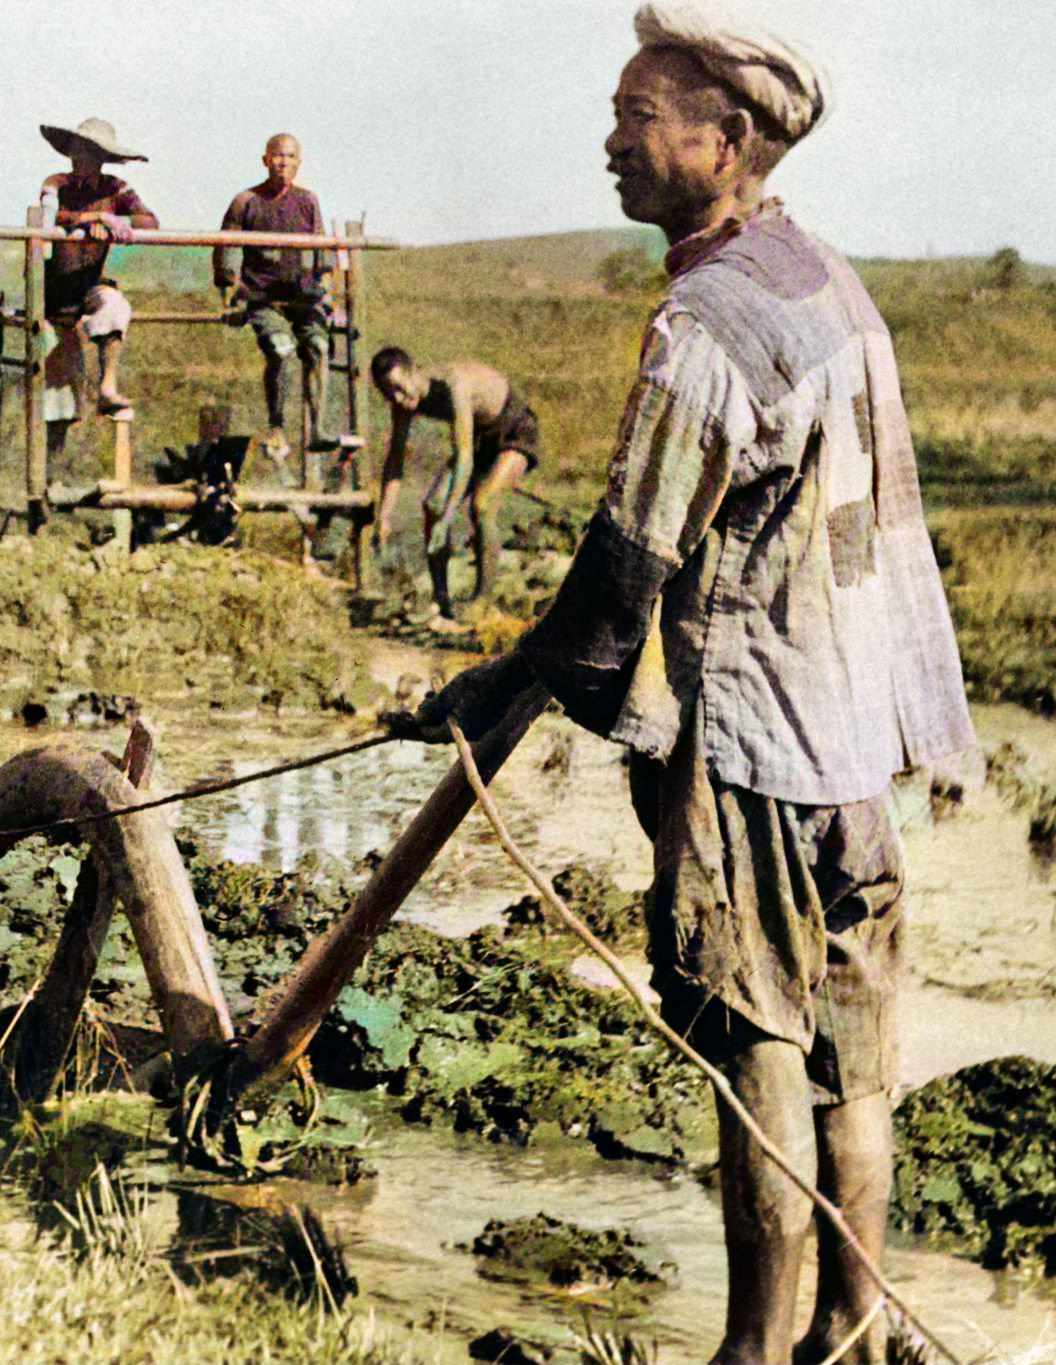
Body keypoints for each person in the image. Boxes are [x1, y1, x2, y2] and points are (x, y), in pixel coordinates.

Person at [391, 7, 974, 1363]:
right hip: (855, 750)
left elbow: (620, 577)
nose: (611, 142)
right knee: (853, 1057)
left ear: (726, 141)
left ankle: (754, 1353)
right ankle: (853, 1323)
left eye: (637, 116)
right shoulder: (830, 282)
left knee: (756, 1045)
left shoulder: (704, 324)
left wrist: (498, 684)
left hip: (757, 744)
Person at [370, 348, 541, 629]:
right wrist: (383, 517)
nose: (398, 399)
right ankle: (442, 601)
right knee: (432, 507)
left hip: (514, 429)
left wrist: (449, 518)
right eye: (389, 394)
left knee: (481, 505)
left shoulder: (455, 385)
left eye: (400, 389)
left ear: (413, 371)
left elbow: (464, 457)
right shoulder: (401, 402)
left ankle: (481, 603)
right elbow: (394, 460)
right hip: (479, 438)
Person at [37, 118, 159, 468]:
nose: (83, 158)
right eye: (78, 150)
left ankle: (107, 384)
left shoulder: (116, 187)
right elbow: (47, 218)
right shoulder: (56, 183)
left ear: (103, 156)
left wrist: (121, 221)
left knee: (114, 305)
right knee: (58, 400)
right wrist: (91, 220)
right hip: (54, 295)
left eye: (91, 152)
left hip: (89, 285)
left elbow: (149, 221)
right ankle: (48, 480)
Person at [213, 134, 333, 465]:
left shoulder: (308, 201)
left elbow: (322, 253)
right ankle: (276, 426)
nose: (283, 163)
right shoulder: (246, 201)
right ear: (266, 160)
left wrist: (326, 291)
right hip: (261, 297)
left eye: (290, 157)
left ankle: (318, 427)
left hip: (302, 296)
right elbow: (226, 250)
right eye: (277, 156)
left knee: (319, 348)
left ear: (299, 162)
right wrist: (230, 297)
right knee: (281, 349)